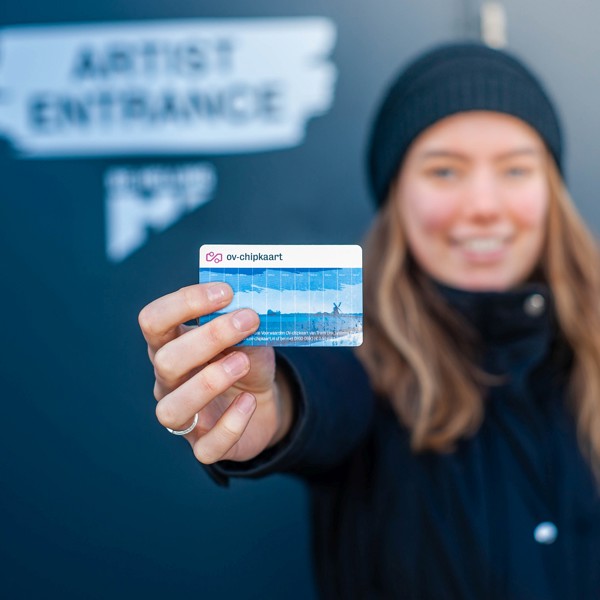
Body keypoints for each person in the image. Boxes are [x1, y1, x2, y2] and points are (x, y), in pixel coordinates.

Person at [138, 42, 600, 599]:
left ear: (552, 191)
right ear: (396, 196)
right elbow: (323, 390)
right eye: (445, 170)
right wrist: (270, 401)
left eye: (516, 169)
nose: (483, 205)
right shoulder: (358, 354)